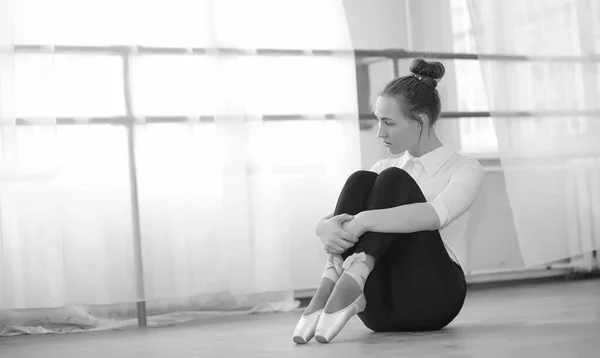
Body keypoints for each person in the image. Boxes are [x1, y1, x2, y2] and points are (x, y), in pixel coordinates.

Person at [292, 59, 485, 344]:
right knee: (361, 179)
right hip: (376, 309)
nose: (380, 133)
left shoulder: (465, 168)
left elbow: (435, 215)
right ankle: (335, 277)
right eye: (378, 121)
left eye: (388, 122)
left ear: (420, 121)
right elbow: (336, 221)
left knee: (395, 180)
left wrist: (364, 221)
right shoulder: (379, 168)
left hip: (433, 299)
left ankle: (352, 275)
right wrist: (325, 229)